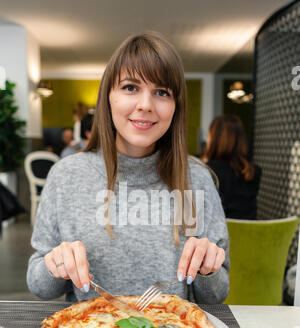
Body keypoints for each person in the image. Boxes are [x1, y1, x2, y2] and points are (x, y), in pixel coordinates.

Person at [26, 32, 229, 304]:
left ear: (175, 107)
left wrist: (208, 269)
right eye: (130, 87)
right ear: (108, 97)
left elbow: (217, 294)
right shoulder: (66, 176)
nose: (145, 105)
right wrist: (55, 265)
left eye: (161, 92)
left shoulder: (197, 180)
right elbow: (39, 285)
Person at [202, 115, 261, 220]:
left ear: (215, 140)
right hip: (248, 234)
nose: (207, 141)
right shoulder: (254, 171)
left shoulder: (208, 171)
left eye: (209, 136)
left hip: (218, 235)